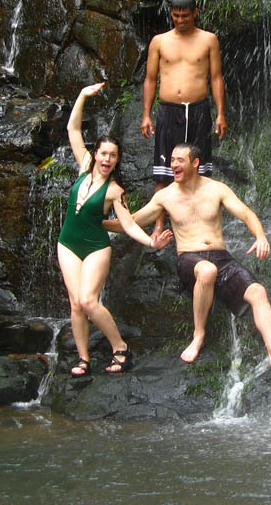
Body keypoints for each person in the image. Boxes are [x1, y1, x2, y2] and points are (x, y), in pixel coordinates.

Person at [106, 143, 271, 367]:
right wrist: (99, 223)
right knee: (207, 271)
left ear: (195, 163)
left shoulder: (216, 189)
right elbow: (131, 221)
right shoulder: (165, 196)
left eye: (180, 160)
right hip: (190, 259)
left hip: (221, 257)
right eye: (172, 160)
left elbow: (246, 214)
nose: (173, 165)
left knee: (258, 291)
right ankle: (199, 335)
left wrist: (260, 237)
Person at [58, 83, 172, 377]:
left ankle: (119, 346)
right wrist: (82, 95)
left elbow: (128, 223)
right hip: (67, 243)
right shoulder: (83, 165)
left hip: (96, 246)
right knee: (75, 305)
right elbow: (72, 130)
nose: (107, 159)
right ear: (95, 154)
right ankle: (83, 358)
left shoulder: (115, 191)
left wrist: (151, 242)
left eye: (113, 156)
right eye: (104, 153)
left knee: (87, 300)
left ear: (117, 161)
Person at [140, 0, 226, 236]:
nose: (180, 20)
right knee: (163, 172)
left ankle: (201, 223)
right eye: (176, 15)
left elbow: (216, 78)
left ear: (195, 13)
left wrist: (220, 113)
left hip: (198, 110)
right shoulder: (159, 41)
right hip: (169, 111)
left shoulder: (209, 40)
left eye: (185, 15)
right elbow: (150, 79)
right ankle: (159, 223)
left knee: (200, 170)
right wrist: (146, 114)